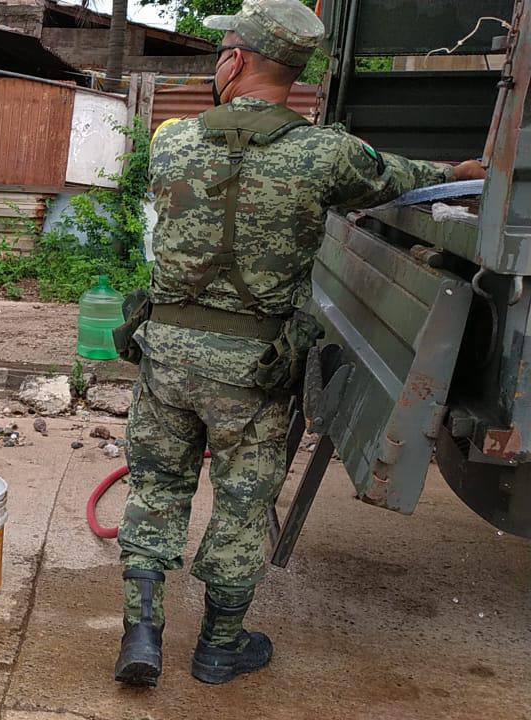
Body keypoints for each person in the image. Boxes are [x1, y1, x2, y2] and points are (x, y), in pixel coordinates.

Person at [112, 0, 486, 687]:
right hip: (253, 369)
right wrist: (465, 164)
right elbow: (410, 179)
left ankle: (141, 633)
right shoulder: (329, 154)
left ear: (233, 60)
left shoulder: (171, 140)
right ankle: (219, 649)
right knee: (242, 503)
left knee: (155, 491)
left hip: (164, 354)